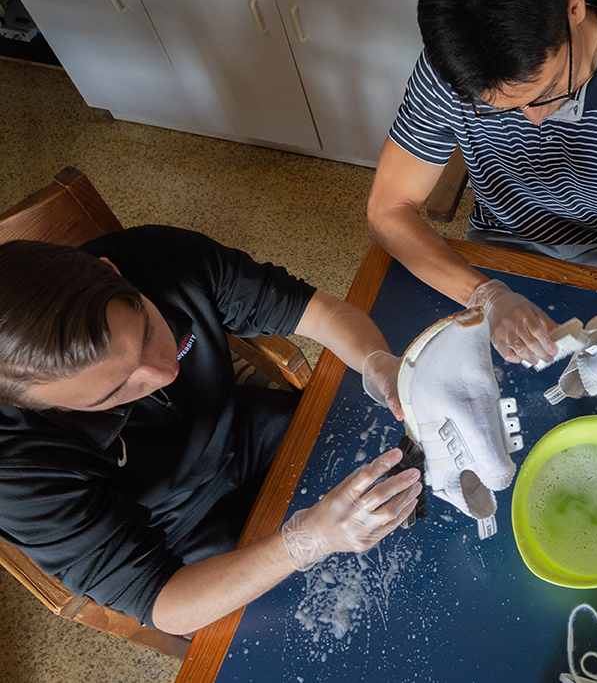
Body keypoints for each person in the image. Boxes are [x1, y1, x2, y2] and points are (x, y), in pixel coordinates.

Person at [0, 225, 418, 636]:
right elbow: (162, 601)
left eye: (146, 333)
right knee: (345, 623)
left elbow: (319, 312)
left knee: (404, 470)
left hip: (250, 429)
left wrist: (378, 364)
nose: (163, 373)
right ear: (44, 407)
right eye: (114, 392)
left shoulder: (157, 257)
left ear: (113, 272)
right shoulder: (15, 471)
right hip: (178, 531)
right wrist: (305, 541)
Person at [367, 0, 597, 369]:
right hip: (501, 245)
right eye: (499, 107)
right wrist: (486, 296)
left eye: (547, 89)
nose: (535, 119)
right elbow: (387, 210)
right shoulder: (454, 64)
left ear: (574, 7)